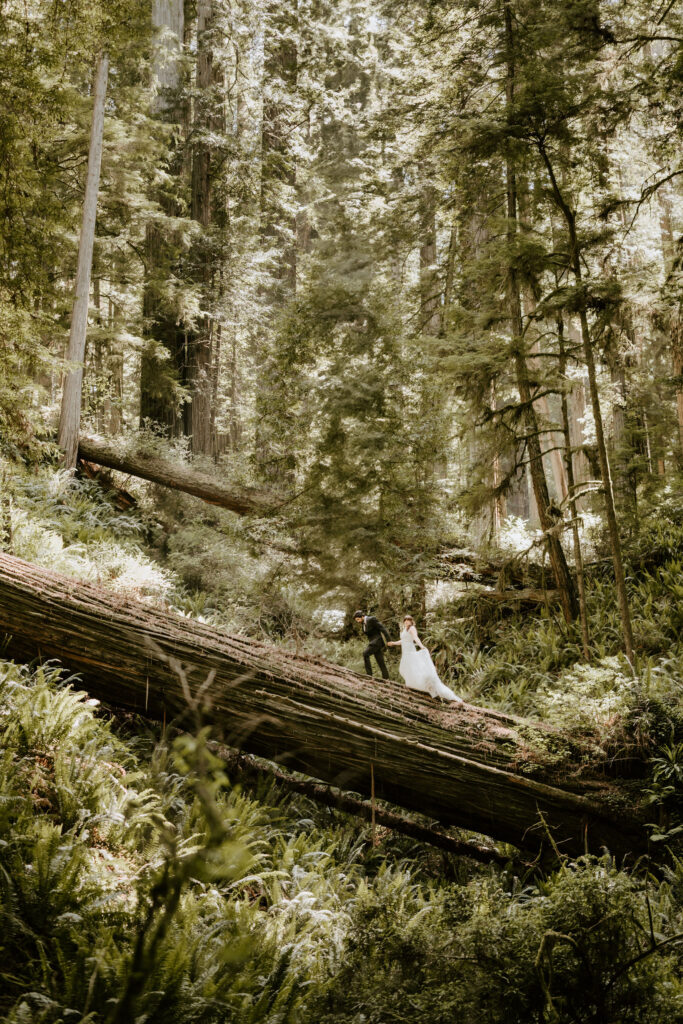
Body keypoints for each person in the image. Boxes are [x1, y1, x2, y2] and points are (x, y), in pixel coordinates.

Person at [387, 615, 463, 703]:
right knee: (406, 669)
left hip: (410, 652)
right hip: (405, 653)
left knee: (414, 669)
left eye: (408, 620)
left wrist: (422, 646)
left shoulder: (412, 628)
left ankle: (427, 687)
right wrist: (393, 643)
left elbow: (415, 638)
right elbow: (403, 641)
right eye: (405, 620)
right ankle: (413, 686)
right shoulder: (405, 629)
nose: (407, 621)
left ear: (411, 621)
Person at [353, 610, 391, 679]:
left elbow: (382, 628)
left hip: (377, 642)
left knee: (365, 654)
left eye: (358, 619)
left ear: (362, 616)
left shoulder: (371, 619)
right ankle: (386, 679)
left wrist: (388, 640)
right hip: (373, 643)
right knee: (380, 661)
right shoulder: (363, 624)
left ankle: (369, 676)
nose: (358, 621)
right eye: (356, 620)